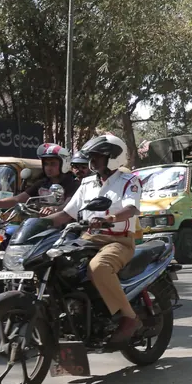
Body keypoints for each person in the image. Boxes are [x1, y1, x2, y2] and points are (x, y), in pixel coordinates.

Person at [48, 134, 142, 345]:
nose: (93, 160)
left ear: (113, 157)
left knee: (98, 267)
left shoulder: (129, 181)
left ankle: (129, 317)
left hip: (119, 240)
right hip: (88, 239)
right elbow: (67, 213)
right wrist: (39, 222)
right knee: (56, 264)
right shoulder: (87, 183)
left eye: (98, 156)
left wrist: (110, 218)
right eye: (92, 156)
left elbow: (131, 208)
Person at [0, 143, 80, 211]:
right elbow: (18, 199)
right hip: (41, 223)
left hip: (65, 226)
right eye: (46, 164)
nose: (48, 168)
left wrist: (53, 209)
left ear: (64, 164)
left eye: (53, 164)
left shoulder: (73, 184)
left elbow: (67, 206)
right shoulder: (42, 184)